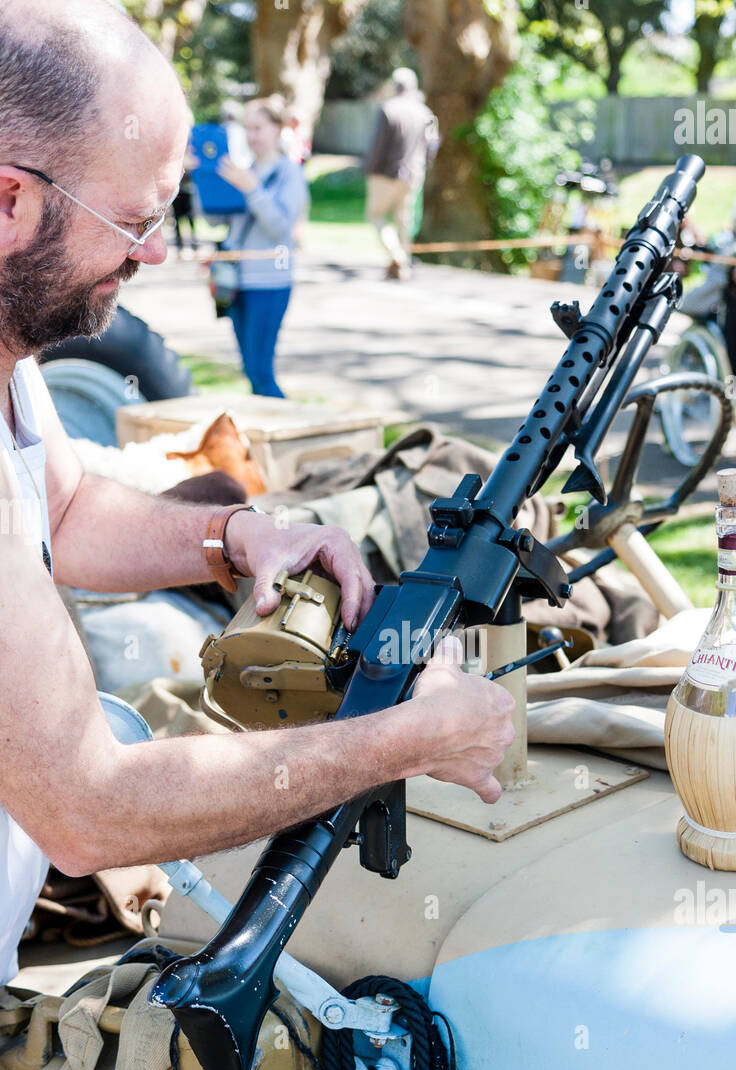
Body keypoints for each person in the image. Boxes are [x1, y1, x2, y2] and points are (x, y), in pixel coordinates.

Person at [0, 0, 515, 987]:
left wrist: (238, 535)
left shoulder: (12, 361)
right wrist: (406, 739)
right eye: (135, 222)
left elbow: (60, 511)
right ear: (9, 202)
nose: (154, 254)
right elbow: (90, 808)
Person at [217, 96, 308, 397]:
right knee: (250, 370)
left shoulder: (289, 173)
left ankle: (289, 430)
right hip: (236, 282)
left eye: (258, 128)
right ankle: (265, 430)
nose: (251, 135)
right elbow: (218, 221)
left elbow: (281, 228)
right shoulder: (244, 170)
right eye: (247, 128)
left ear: (277, 129)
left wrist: (252, 189)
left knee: (261, 370)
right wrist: (202, 180)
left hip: (270, 283)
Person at [365, 68, 439, 281]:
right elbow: (433, 144)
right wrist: (424, 166)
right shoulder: (425, 112)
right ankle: (402, 263)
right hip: (413, 174)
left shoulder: (389, 109)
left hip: (386, 172)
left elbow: (379, 145)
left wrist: (370, 169)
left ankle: (397, 256)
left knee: (376, 215)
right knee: (403, 220)